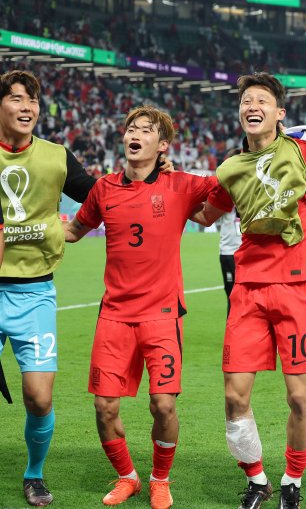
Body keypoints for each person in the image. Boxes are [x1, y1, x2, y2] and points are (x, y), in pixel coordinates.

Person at [193, 72, 306, 509]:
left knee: (299, 396)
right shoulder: (230, 169)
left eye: (261, 100)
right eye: (246, 101)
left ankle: (291, 481)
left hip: (295, 286)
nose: (252, 106)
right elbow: (205, 215)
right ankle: (257, 481)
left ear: (279, 113)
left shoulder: (301, 151)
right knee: (234, 395)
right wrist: (163, 185)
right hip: (247, 289)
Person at [62, 105, 217, 509]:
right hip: (114, 315)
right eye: (132, 128)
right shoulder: (103, 188)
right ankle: (127, 477)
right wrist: (27, 227)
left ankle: (160, 479)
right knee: (104, 407)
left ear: (162, 145)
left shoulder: (180, 184)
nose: (136, 134)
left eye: (146, 130)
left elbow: (224, 191)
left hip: (162, 315)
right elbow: (74, 230)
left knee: (163, 405)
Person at [0, 69, 96, 507]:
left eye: (33, 100)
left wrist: (73, 229)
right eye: (16, 98)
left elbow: (99, 197)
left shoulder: (56, 157)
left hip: (35, 292)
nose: (27, 107)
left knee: (39, 398)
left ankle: (34, 474)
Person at [217, 209, 241, 315]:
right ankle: (232, 323)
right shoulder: (225, 200)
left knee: (246, 295)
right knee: (232, 296)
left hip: (246, 251)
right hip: (229, 252)